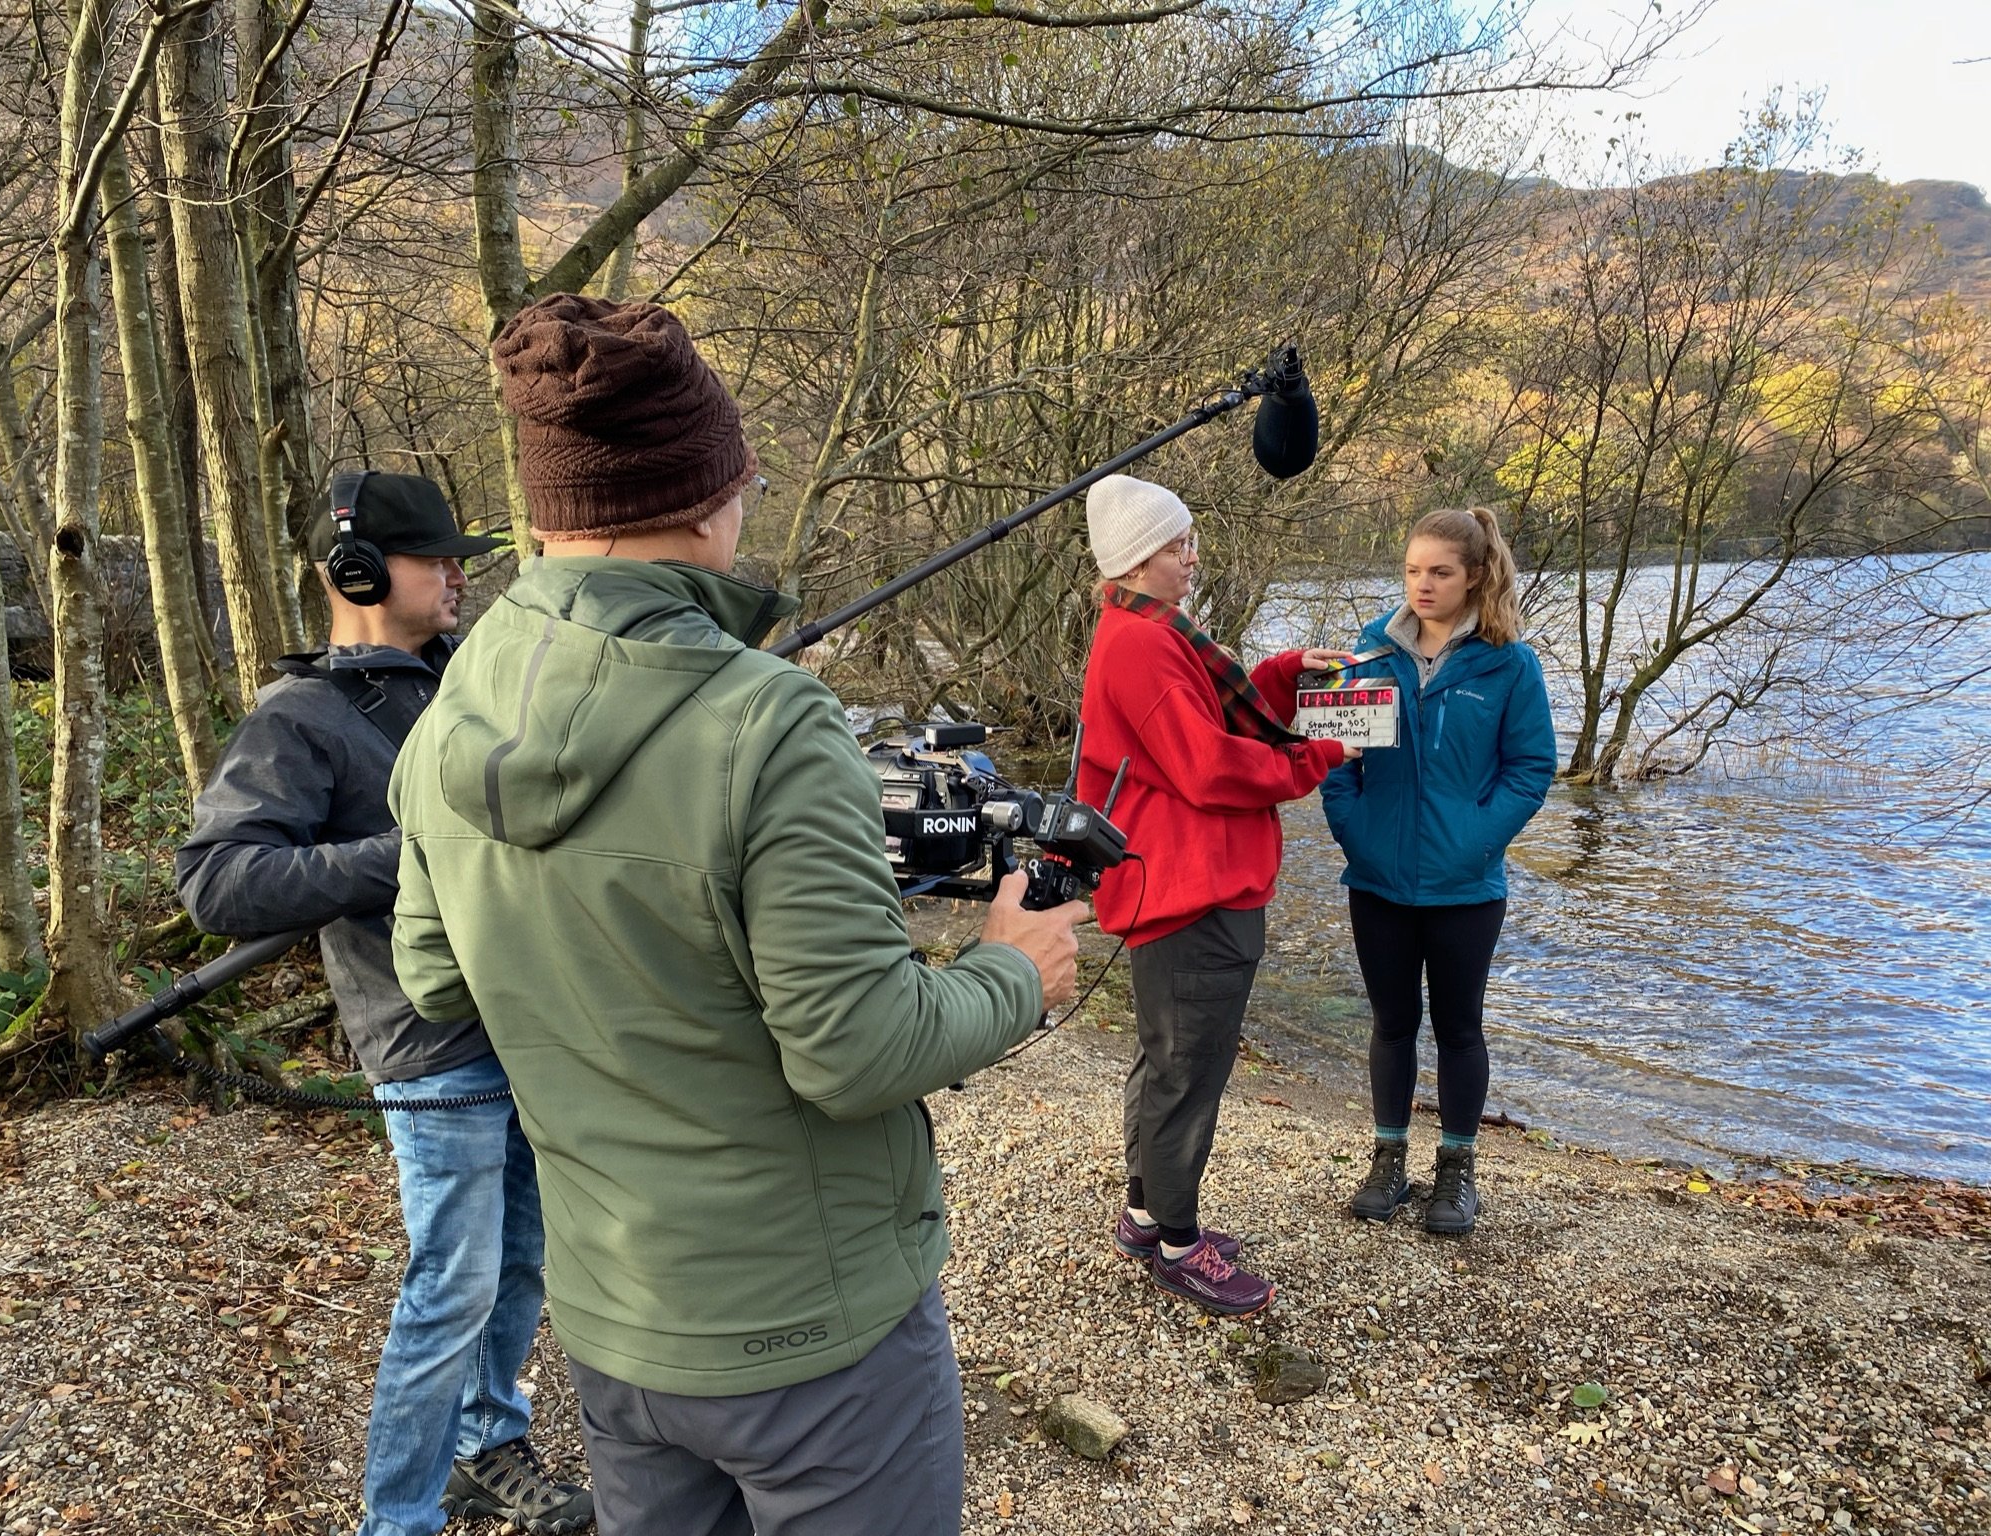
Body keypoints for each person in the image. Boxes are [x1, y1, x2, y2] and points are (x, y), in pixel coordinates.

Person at [384, 293, 1089, 1536]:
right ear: (710, 494)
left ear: (547, 515)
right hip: (816, 1344)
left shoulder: (444, 720)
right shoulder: (772, 720)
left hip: (612, 1322)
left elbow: (439, 983)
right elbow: (855, 1050)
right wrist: (1014, 971)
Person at [175, 472, 594, 1536]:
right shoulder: (301, 718)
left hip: (525, 1023)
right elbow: (220, 884)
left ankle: (486, 1448)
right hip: (425, 1044)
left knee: (521, 1264)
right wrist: (406, 854)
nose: (460, 575)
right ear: (358, 573)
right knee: (449, 1289)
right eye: (436, 559)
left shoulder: (472, 679)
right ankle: (396, 1519)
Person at [1075, 474, 1358, 1317]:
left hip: (1174, 889)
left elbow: (1202, 724)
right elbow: (1207, 766)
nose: (1191, 557)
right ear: (1134, 558)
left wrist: (1276, 676)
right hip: (1193, 893)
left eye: (1189, 540)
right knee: (1187, 1073)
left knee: (1164, 1062)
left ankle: (1142, 1216)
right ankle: (1176, 1244)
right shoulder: (1141, 642)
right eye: (1175, 545)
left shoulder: (1149, 630)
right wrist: (1316, 757)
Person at [1320, 506, 1556, 1237]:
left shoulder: (1508, 664)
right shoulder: (1366, 656)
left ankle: (1457, 1170)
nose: (1422, 585)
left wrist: (1475, 842)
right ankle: (1387, 1162)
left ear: (1475, 577)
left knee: (1458, 1029)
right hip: (1377, 880)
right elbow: (1333, 759)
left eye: (1439, 572)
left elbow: (1530, 768)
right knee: (1391, 1025)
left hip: (1465, 886)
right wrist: (1354, 833)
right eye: (1412, 570)